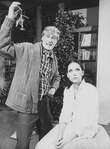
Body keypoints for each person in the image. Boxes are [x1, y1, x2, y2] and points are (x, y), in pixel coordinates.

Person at [0, 1, 61, 149]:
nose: (50, 40)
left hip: (44, 103)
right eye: (48, 36)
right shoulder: (27, 49)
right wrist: (9, 18)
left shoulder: (53, 57)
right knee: (23, 143)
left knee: (46, 138)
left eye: (54, 38)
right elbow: (3, 46)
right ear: (42, 37)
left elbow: (57, 76)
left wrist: (53, 88)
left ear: (56, 42)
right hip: (27, 104)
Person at [35, 59, 99, 149]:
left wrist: (67, 140)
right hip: (71, 125)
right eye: (70, 71)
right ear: (68, 75)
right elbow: (65, 114)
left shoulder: (91, 90)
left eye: (77, 70)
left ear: (82, 72)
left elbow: (86, 121)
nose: (74, 73)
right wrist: (60, 134)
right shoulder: (68, 90)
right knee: (44, 145)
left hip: (86, 129)